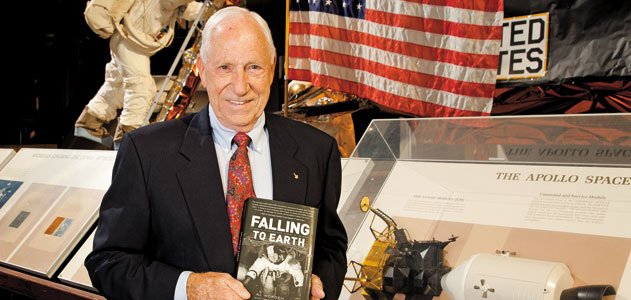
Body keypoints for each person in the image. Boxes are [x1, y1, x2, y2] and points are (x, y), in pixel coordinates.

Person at [85, 6, 347, 300]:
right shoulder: (147, 153)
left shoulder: (317, 151)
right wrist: (188, 287)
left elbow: (330, 248)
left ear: (272, 68)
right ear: (203, 71)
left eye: (254, 67)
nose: (240, 86)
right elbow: (108, 262)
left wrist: (318, 282)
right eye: (225, 67)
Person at [74, 0, 209, 147]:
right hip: (131, 44)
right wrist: (211, 8)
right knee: (142, 87)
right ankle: (127, 138)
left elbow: (188, 10)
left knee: (117, 86)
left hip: (126, 41)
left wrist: (208, 10)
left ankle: (89, 123)